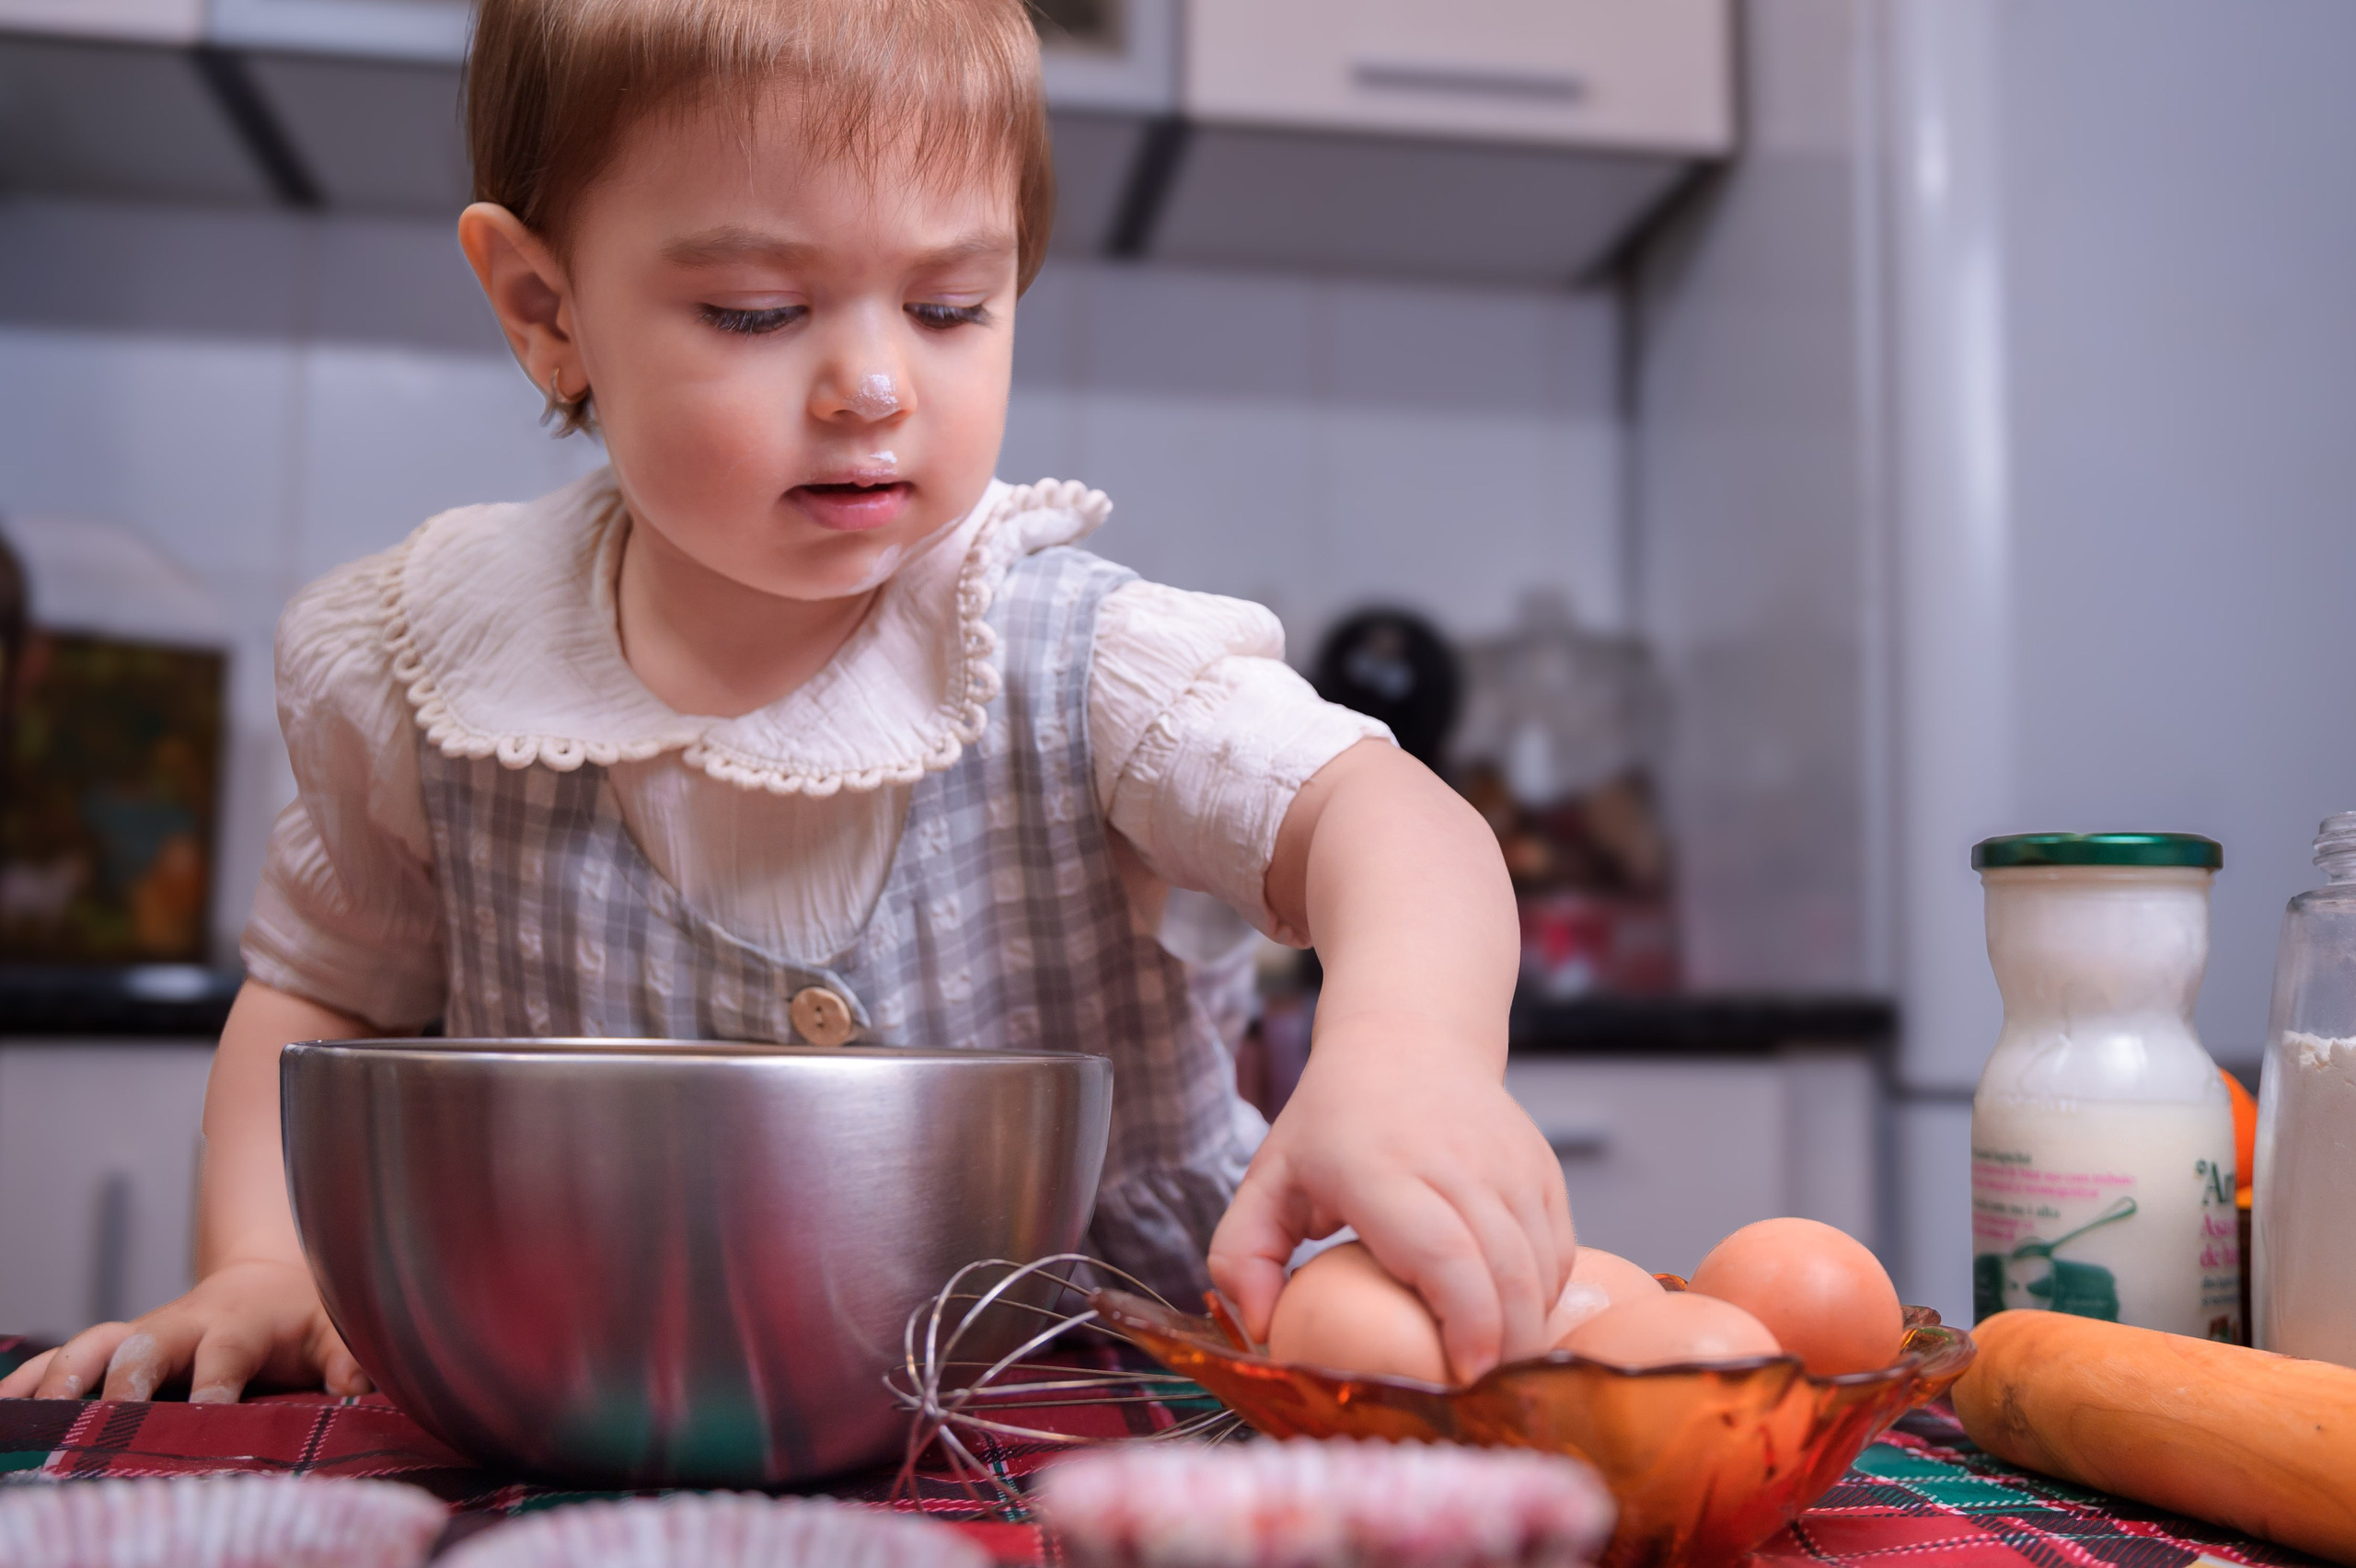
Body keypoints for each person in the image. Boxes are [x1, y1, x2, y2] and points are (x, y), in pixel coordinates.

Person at [1, 0, 1569, 1407]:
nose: (875, 386)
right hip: (607, 1414)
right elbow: (319, 998)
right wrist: (267, 1268)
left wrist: (1407, 1051)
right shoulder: (431, 666)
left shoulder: (1078, 659)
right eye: (758, 311)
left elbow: (1392, 820)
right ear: (547, 309)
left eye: (954, 307)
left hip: (1100, 1411)